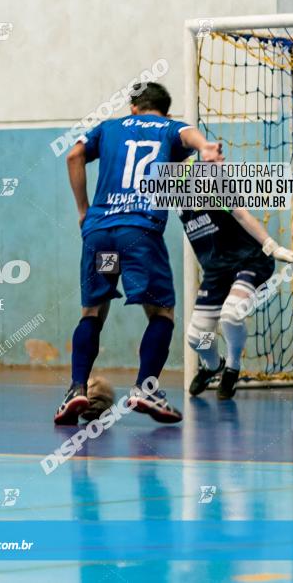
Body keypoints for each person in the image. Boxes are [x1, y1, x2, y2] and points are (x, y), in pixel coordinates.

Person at [55, 82, 224, 425]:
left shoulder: (109, 127)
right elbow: (190, 136)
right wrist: (206, 147)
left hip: (101, 234)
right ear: (165, 109)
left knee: (92, 311)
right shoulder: (170, 128)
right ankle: (145, 388)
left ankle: (76, 389)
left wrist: (83, 209)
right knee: (162, 312)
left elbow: (73, 155)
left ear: (133, 106)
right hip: (139, 233)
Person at [182, 207, 293, 399]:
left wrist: (273, 247)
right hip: (216, 271)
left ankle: (232, 367)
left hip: (248, 260)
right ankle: (213, 366)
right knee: (196, 337)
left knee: (231, 315)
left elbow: (242, 214)